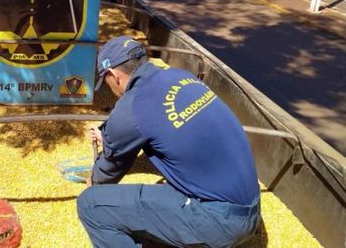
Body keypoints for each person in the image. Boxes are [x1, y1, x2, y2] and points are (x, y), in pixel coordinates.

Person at [77, 36, 260, 248]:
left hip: (220, 223)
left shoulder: (133, 106)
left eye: (106, 82)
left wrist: (93, 180)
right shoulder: (180, 76)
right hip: (251, 208)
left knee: (91, 206)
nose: (109, 88)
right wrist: (109, 135)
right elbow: (163, 124)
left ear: (113, 75)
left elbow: (108, 172)